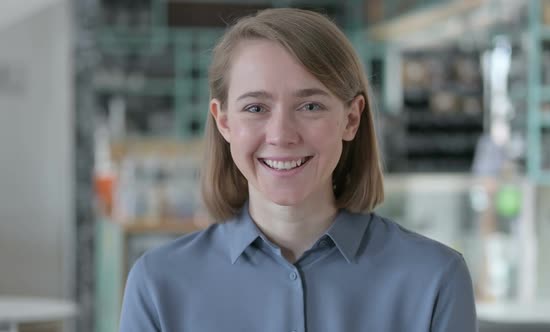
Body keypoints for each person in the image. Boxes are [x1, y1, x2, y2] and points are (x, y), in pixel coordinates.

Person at [119, 8, 478, 332]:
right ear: (224, 122)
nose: (281, 135)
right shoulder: (158, 284)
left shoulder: (436, 279)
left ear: (351, 119)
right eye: (256, 109)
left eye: (309, 106)